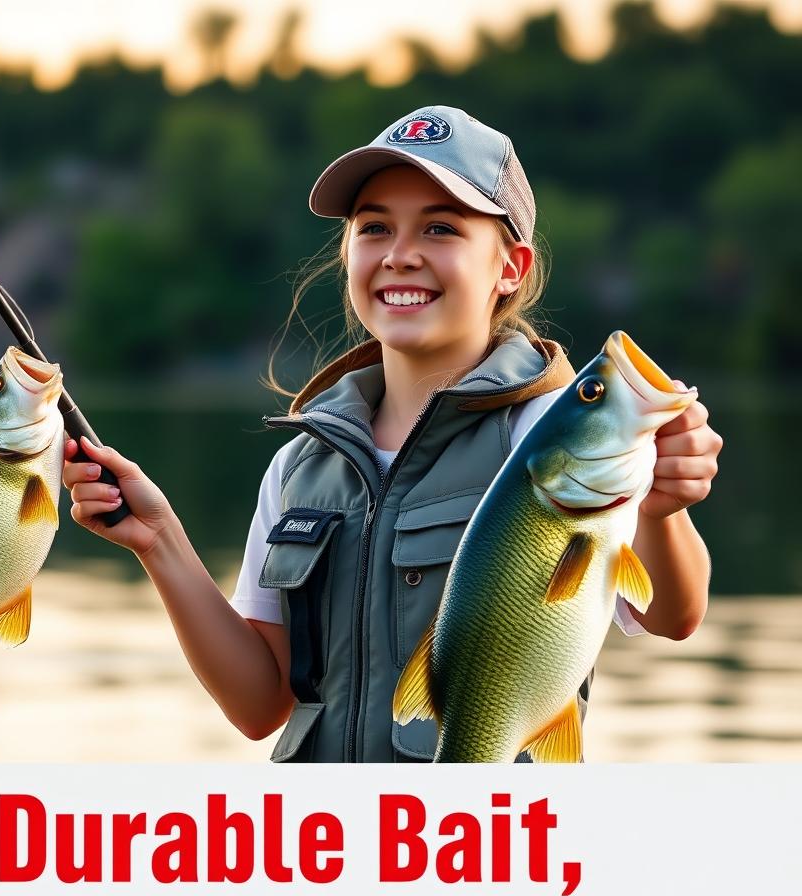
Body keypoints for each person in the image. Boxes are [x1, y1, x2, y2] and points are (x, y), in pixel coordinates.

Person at [63, 106, 722, 762]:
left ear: (510, 267)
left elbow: (672, 615)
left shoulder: (549, 438)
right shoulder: (298, 466)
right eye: (374, 228)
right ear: (348, 253)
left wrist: (664, 512)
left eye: (440, 228)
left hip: (490, 850)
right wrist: (160, 541)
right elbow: (258, 706)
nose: (401, 256)